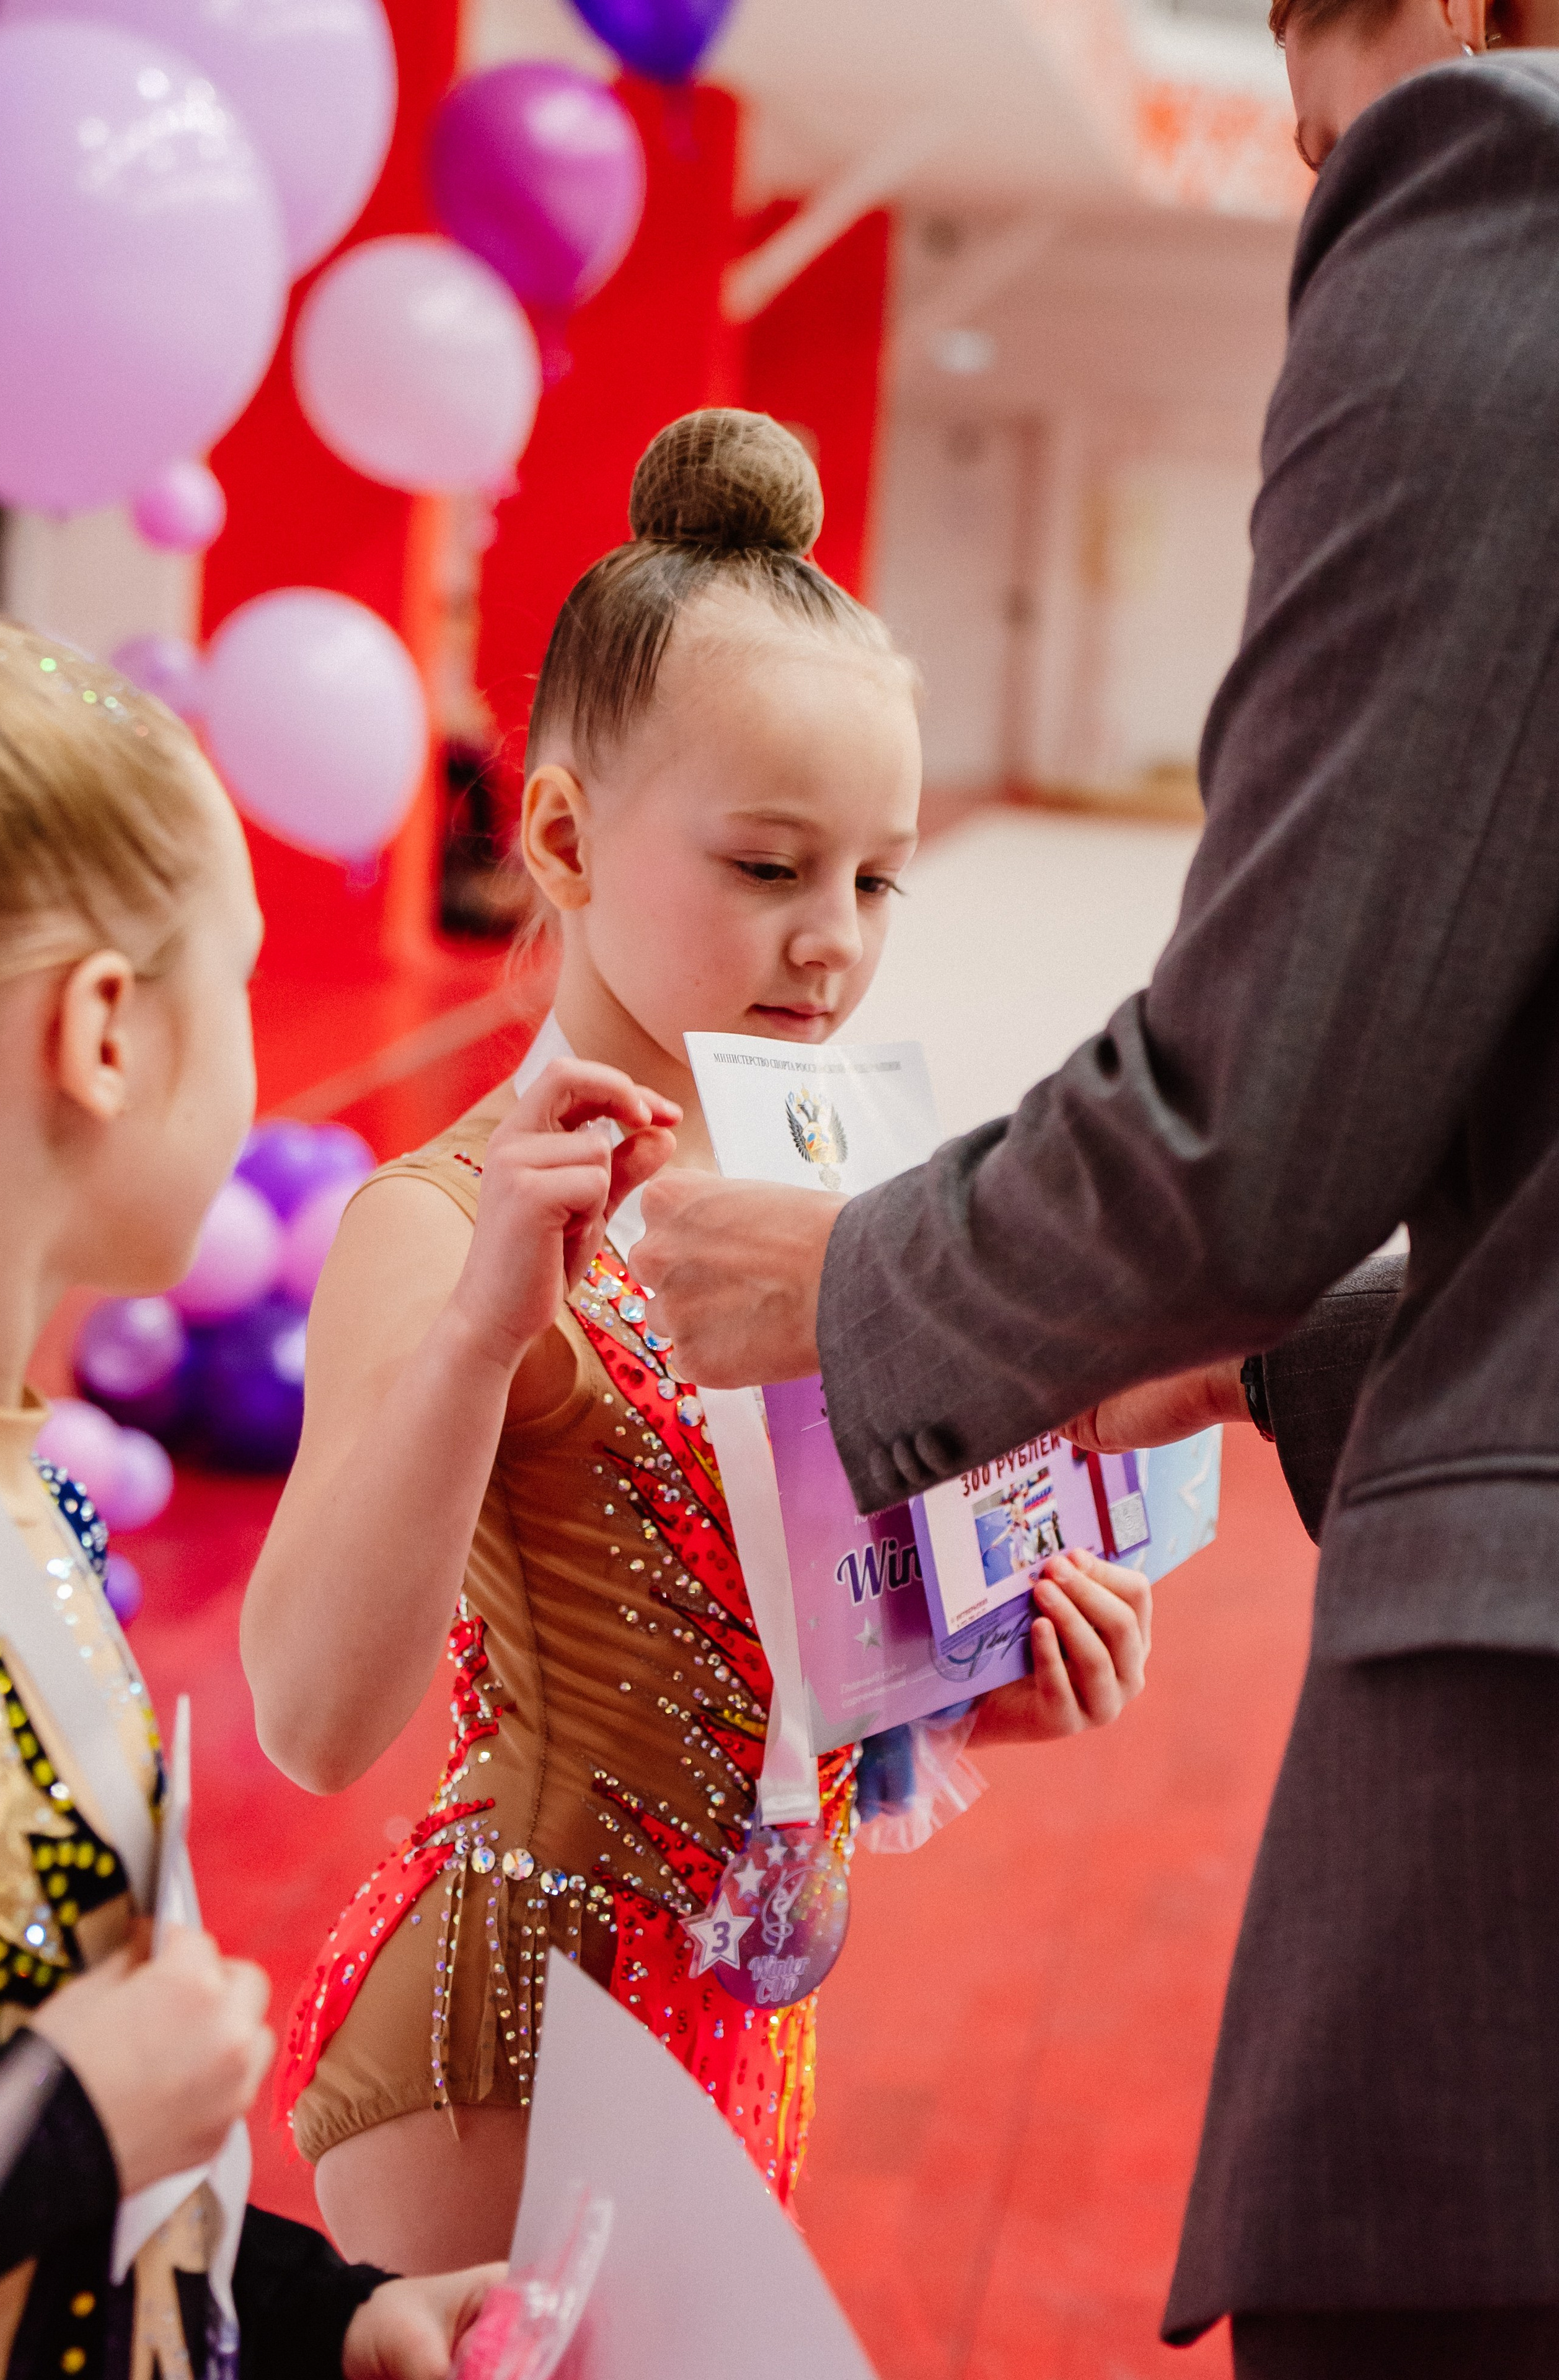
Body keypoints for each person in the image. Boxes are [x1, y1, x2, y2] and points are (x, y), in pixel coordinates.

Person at [635, 22, 1559, 2379]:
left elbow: (1253, 1121)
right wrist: (1256, 1360)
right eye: (763, 863)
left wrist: (862, 1290)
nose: (1312, 163)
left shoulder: (1502, 196)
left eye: (1320, 103)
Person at [239, 409, 1155, 2279]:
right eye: (766, 869)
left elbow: (783, 1634)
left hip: (741, 2023)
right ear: (563, 837)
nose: (831, 944)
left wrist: (983, 1676)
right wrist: (493, 1321)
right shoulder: (442, 1219)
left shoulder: (837, 1193)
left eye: (875, 881)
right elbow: (316, 1721)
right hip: (508, 2045)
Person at [0, 606, 513, 2379]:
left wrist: (326, 2321)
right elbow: (71, 2118)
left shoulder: (20, 1485)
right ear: (108, 1031)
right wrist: (61, 2122)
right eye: (251, 977)